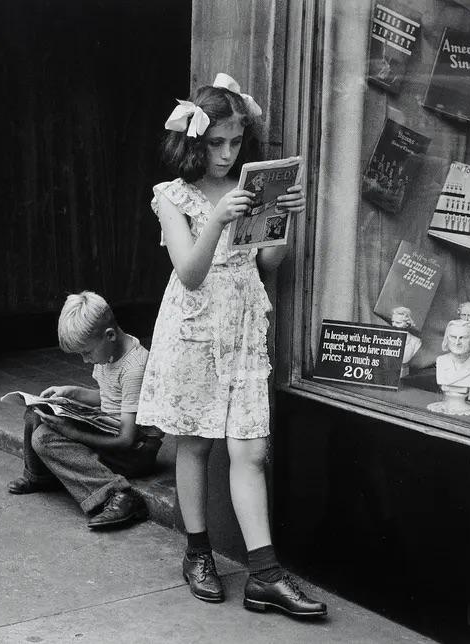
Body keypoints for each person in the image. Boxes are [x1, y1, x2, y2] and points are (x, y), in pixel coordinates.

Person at [136, 73, 327, 618]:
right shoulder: (173, 196)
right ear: (193, 142)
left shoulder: (252, 185)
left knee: (251, 448)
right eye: (215, 143)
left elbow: (267, 265)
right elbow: (190, 274)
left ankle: (265, 575)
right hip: (195, 325)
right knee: (195, 442)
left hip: (242, 324)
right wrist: (217, 219)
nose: (226, 154)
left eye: (235, 142)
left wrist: (280, 219)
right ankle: (198, 552)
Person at [6, 291, 163, 530]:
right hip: (110, 431)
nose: (85, 360)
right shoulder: (109, 353)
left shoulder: (134, 368)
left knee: (45, 439)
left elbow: (127, 439)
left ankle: (117, 495)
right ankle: (39, 476)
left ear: (109, 335)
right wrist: (71, 392)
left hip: (135, 452)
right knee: (36, 413)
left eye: (87, 353)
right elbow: (109, 397)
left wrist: (73, 433)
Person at [435, 319, 470, 389]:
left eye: (462, 338)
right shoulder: (441, 360)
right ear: (447, 338)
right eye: (453, 337)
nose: (457, 342)